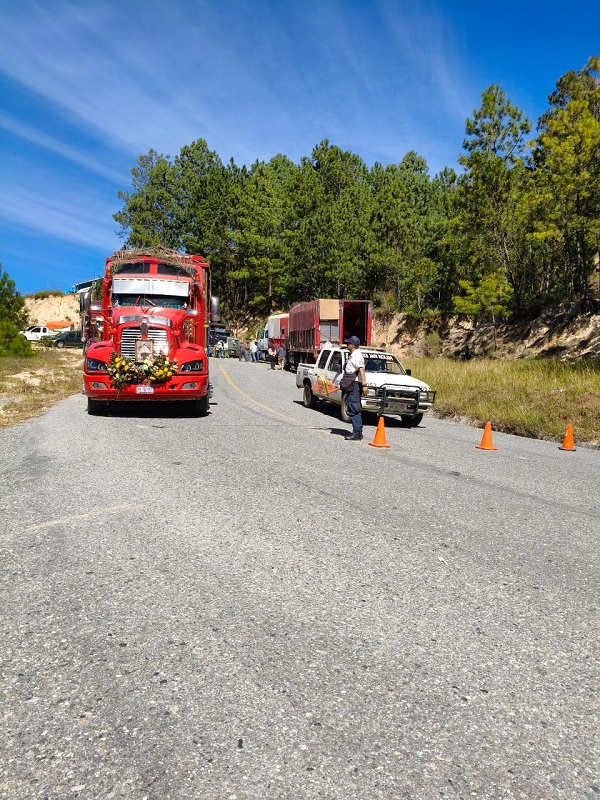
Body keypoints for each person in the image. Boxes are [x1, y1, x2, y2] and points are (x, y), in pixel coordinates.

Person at [342, 335, 367, 441]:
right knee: (353, 407)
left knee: (354, 408)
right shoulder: (353, 355)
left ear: (353, 345)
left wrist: (364, 385)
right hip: (351, 385)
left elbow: (361, 370)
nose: (347, 345)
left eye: (348, 343)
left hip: (355, 385)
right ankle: (357, 431)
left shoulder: (357, 355)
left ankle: (357, 433)